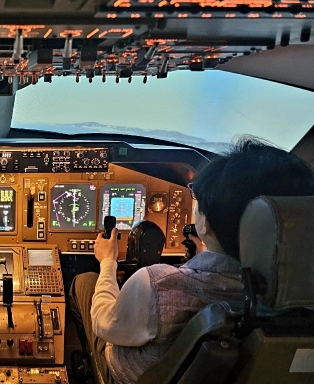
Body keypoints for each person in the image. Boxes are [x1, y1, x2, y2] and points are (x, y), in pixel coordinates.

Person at [69, 138, 314, 384]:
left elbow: (104, 324)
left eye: (197, 200)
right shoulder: (300, 301)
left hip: (131, 376)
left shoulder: (156, 284)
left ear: (206, 224)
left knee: (84, 282)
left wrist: (108, 262)